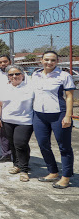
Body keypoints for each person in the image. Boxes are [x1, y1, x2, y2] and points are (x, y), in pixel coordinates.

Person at [32, 51, 75, 189]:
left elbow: (69, 97)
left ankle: (66, 177)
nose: (49, 63)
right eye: (46, 60)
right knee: (43, 144)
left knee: (64, 147)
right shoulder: (35, 74)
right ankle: (53, 172)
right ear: (41, 60)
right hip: (39, 115)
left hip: (58, 114)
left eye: (52, 60)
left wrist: (68, 116)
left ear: (57, 61)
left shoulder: (64, 76)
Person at [0, 65, 34, 182]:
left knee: (20, 144)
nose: (14, 76)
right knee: (12, 144)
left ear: (22, 74)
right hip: (8, 121)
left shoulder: (30, 87)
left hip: (25, 121)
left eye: (17, 74)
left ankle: (24, 170)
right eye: (11, 74)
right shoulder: (4, 88)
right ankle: (16, 165)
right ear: (8, 76)